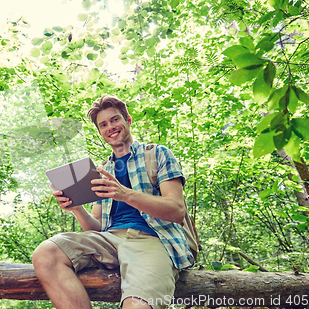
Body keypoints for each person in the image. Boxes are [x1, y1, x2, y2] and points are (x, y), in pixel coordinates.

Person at [32, 95, 194, 309]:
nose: (110, 127)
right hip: (108, 240)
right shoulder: (101, 170)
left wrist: (125, 194)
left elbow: (176, 211)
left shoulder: (158, 154)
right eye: (103, 124)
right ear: (100, 132)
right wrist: (77, 209)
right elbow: (95, 226)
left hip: (151, 240)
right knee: (46, 254)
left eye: (115, 120)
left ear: (128, 120)